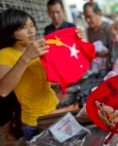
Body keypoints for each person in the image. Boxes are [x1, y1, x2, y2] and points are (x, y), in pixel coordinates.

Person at [0, 8, 78, 141]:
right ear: (10, 31)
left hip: (54, 109)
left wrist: (76, 37)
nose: (31, 31)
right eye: (23, 28)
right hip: (35, 121)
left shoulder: (36, 48)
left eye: (32, 26)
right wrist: (26, 57)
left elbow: (45, 79)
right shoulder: (5, 54)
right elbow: (3, 90)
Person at [83, 2, 118, 71]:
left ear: (99, 13)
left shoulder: (109, 28)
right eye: (85, 17)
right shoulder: (88, 31)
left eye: (90, 17)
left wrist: (107, 52)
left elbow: (116, 50)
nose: (87, 20)